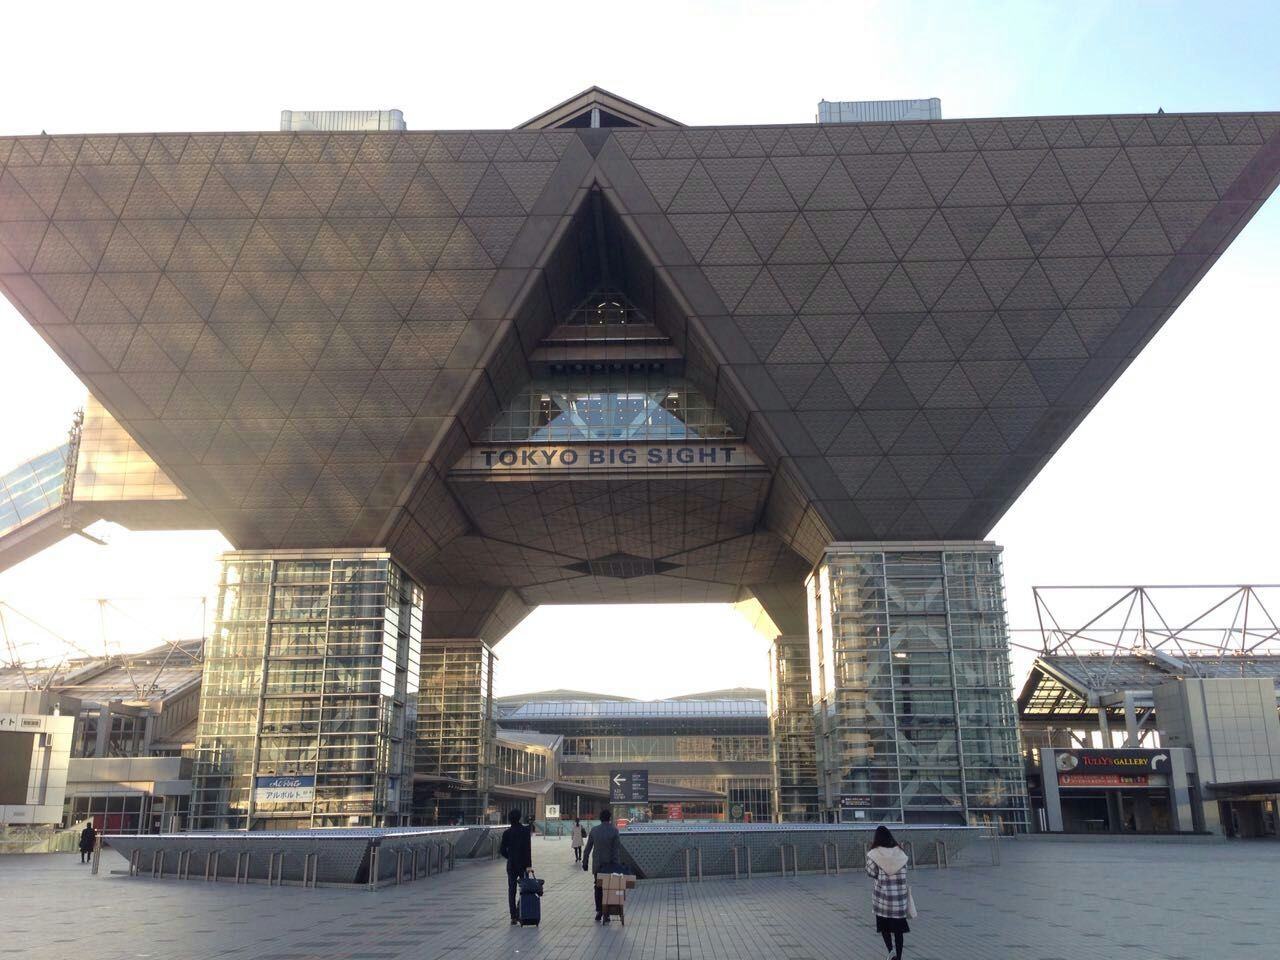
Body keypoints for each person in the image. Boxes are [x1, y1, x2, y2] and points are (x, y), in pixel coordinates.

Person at [865, 825, 911, 960]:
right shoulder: (900, 853)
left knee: (884, 928)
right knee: (898, 931)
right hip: (899, 900)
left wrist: (880, 876)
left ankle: (891, 952)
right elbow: (905, 870)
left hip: (883, 900)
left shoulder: (875, 854)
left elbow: (870, 872)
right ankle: (899, 956)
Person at [582, 808, 622, 923]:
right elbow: (616, 851)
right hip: (610, 865)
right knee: (609, 889)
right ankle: (607, 913)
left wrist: (585, 862)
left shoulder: (594, 830)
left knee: (598, 887)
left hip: (598, 866)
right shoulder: (614, 831)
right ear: (609, 818)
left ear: (600, 818)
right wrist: (617, 865)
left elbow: (588, 848)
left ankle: (599, 910)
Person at [498, 809, 532, 925]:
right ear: (519, 818)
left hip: (512, 865)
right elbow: (528, 849)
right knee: (524, 889)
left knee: (511, 890)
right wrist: (529, 865)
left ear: (509, 819)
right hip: (523, 865)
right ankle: (519, 911)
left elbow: (502, 850)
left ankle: (513, 916)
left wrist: (510, 857)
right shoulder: (525, 831)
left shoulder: (507, 833)